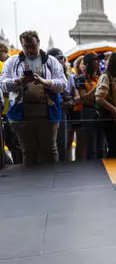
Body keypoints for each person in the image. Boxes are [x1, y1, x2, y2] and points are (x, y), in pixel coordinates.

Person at [0, 30, 66, 166]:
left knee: (50, 151)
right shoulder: (11, 62)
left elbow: (63, 84)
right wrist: (19, 81)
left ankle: (52, 178)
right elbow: (3, 85)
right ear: (22, 45)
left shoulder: (51, 61)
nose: (30, 50)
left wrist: (46, 82)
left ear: (39, 43)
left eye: (33, 46)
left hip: (48, 114)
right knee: (28, 152)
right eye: (26, 47)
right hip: (21, 115)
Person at [48, 48, 80, 162]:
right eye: (58, 58)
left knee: (63, 144)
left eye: (62, 58)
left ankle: (62, 168)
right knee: (48, 145)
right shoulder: (45, 74)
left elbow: (75, 97)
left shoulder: (69, 77)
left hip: (63, 112)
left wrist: (70, 101)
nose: (61, 60)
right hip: (48, 111)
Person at [74, 52, 104, 160]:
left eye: (98, 60)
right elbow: (83, 98)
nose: (98, 62)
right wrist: (97, 88)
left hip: (102, 111)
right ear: (87, 64)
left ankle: (104, 167)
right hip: (88, 111)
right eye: (95, 60)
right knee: (91, 146)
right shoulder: (81, 78)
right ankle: (91, 167)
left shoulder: (100, 77)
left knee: (102, 146)